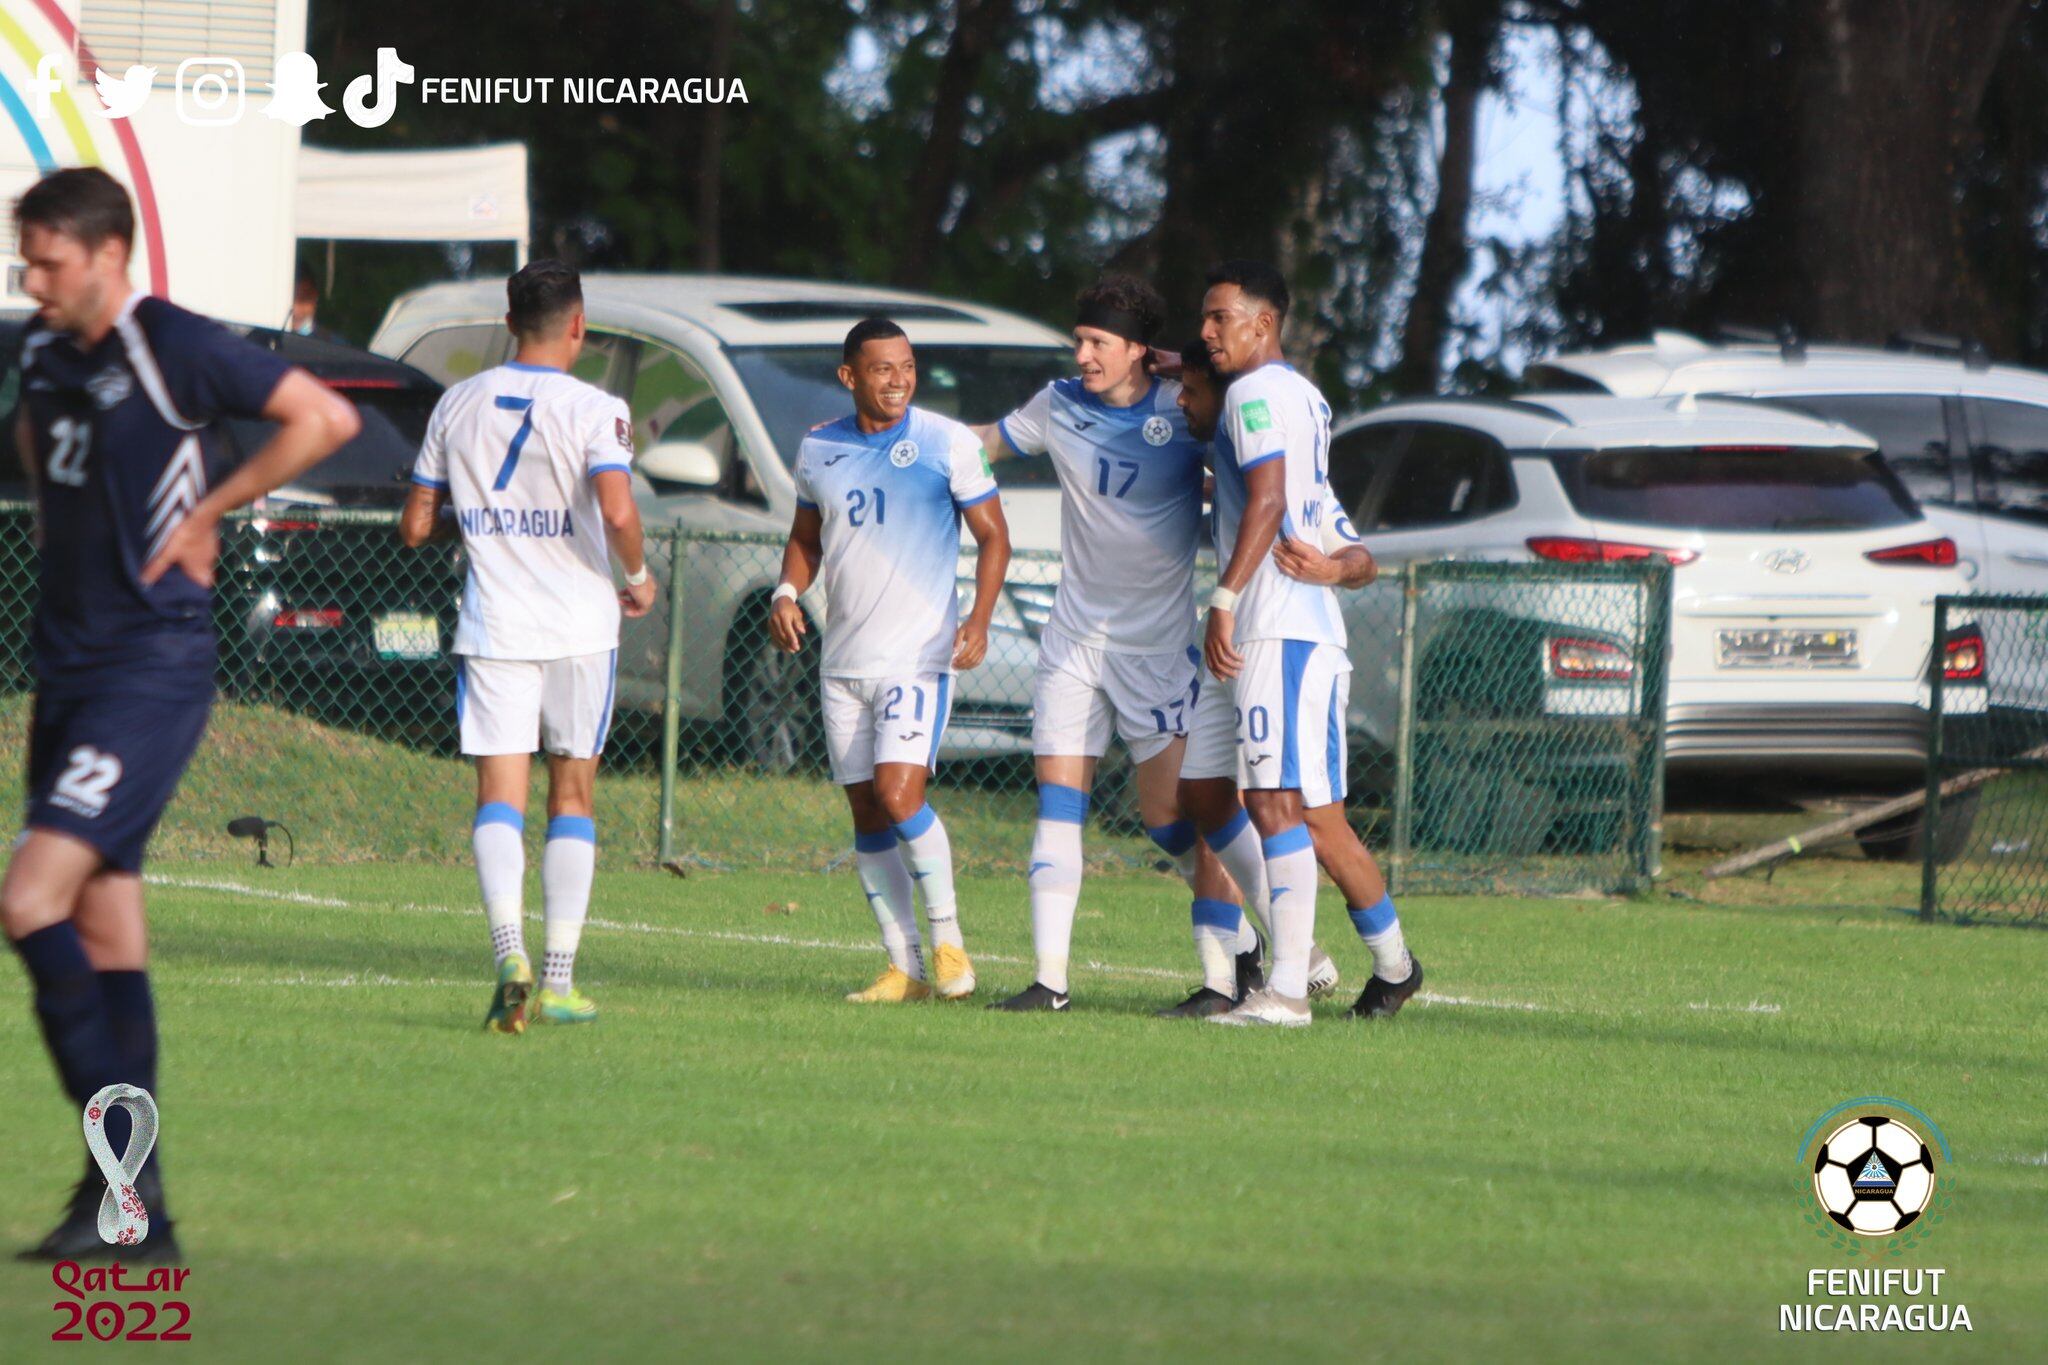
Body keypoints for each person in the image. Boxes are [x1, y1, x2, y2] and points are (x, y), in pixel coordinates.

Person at [2, 166, 360, 1260]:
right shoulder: (42, 351)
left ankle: (130, 1193)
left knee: (28, 899)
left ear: (109, 254)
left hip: (148, 670)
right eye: (25, 261)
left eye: (49, 262)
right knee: (106, 923)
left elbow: (324, 416)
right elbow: (38, 445)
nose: (32, 280)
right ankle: (127, 1205)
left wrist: (210, 508)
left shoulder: (171, 343)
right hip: (70, 672)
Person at [966, 274, 1266, 1015]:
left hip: (1156, 655)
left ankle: (1258, 950)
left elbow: (1256, 470)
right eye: (1080, 341)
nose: (1083, 355)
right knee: (1057, 805)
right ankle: (1051, 981)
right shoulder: (1059, 404)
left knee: (1174, 824)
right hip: (1072, 645)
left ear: (1137, 349)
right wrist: (899, 432)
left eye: (1099, 342)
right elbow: (984, 445)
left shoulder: (1183, 408)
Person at [400, 259, 655, 1033]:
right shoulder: (597, 407)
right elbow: (617, 510)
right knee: (572, 796)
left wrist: (481, 523)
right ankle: (559, 980)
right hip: (580, 626)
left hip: (495, 625)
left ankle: (507, 953)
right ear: (579, 325)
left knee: (498, 799)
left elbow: (415, 526)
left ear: (510, 323)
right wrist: (638, 575)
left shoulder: (456, 402)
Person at [1176, 262, 1423, 1027]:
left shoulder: (1253, 394)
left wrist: (1224, 598)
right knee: (1229, 796)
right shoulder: (1301, 403)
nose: (1208, 332)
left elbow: (1271, 498)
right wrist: (1333, 566)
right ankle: (1388, 965)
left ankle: (1287, 986)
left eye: (1219, 318)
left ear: (1263, 323)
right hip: (1279, 632)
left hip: (1278, 631)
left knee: (1282, 805)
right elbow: (1352, 549)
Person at [769, 318, 1011, 1003]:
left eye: (907, 366)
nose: (899, 380)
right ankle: (904, 968)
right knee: (867, 811)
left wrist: (979, 618)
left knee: (900, 795)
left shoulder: (947, 442)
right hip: (843, 662)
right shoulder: (819, 447)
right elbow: (806, 538)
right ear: (849, 376)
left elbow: (994, 537)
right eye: (883, 369)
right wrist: (786, 591)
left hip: (917, 656)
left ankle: (949, 944)